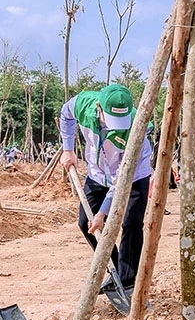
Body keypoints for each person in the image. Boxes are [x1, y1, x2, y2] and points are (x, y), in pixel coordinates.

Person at [60, 83, 153, 291]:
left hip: (134, 175)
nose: (116, 126)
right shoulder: (83, 104)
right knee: (86, 223)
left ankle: (128, 283)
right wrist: (68, 149)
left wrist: (103, 213)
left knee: (131, 223)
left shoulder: (137, 126)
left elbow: (122, 178)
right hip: (97, 174)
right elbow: (65, 114)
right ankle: (115, 270)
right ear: (99, 108)